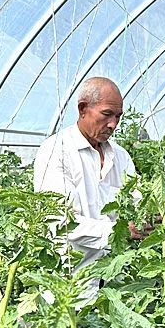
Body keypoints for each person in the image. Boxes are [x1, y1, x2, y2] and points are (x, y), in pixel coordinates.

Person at [34, 77, 142, 299]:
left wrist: (161, 205)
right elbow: (61, 223)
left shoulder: (120, 156)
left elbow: (137, 204)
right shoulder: (56, 151)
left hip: (115, 282)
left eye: (118, 117)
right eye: (106, 114)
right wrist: (120, 232)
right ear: (83, 109)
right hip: (70, 285)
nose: (113, 124)